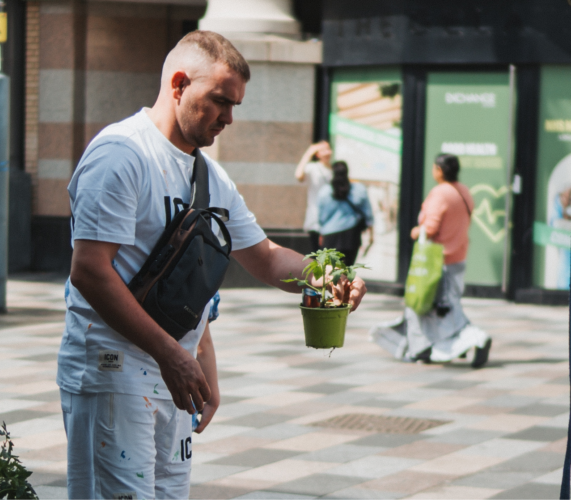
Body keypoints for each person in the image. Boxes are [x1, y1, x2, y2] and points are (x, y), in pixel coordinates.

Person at [59, 31, 368, 499]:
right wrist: (172, 356)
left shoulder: (210, 175)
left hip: (172, 375)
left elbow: (263, 258)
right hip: (113, 369)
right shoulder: (122, 154)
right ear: (179, 84)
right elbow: (89, 271)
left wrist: (327, 276)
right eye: (220, 101)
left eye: (235, 106)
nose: (228, 118)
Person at [370, 153, 491, 367]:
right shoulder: (463, 191)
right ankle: (431, 348)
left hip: (435, 261)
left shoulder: (440, 193)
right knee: (444, 306)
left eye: (435, 167)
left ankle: (464, 341)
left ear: (439, 170)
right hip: (458, 257)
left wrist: (416, 231)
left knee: (418, 305)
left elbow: (431, 227)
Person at [317, 161, 374, 265]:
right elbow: (368, 213)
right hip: (351, 236)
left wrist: (321, 233)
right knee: (347, 272)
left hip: (330, 236)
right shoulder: (359, 189)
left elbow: (321, 218)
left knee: (329, 273)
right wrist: (371, 234)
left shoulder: (324, 192)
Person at [294, 140, 333, 251]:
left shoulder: (334, 169)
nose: (328, 152)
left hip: (333, 219)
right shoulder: (313, 167)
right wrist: (308, 153)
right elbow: (298, 175)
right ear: (317, 154)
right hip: (315, 217)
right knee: (318, 254)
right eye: (323, 150)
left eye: (328, 149)